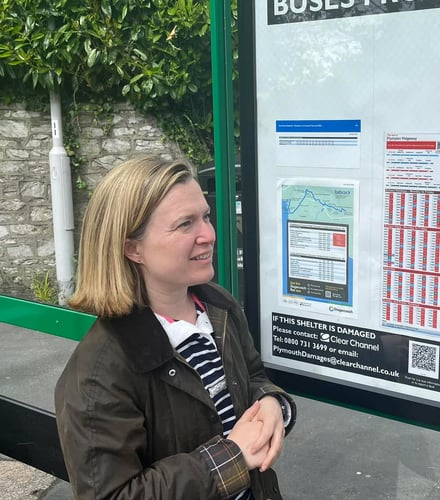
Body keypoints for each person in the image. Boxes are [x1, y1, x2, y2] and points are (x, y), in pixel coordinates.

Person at [55, 157, 296, 499]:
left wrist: (271, 403)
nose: (209, 235)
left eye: (206, 217)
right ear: (132, 248)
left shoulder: (219, 306)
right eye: (185, 224)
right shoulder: (98, 373)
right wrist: (231, 457)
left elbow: (254, 376)